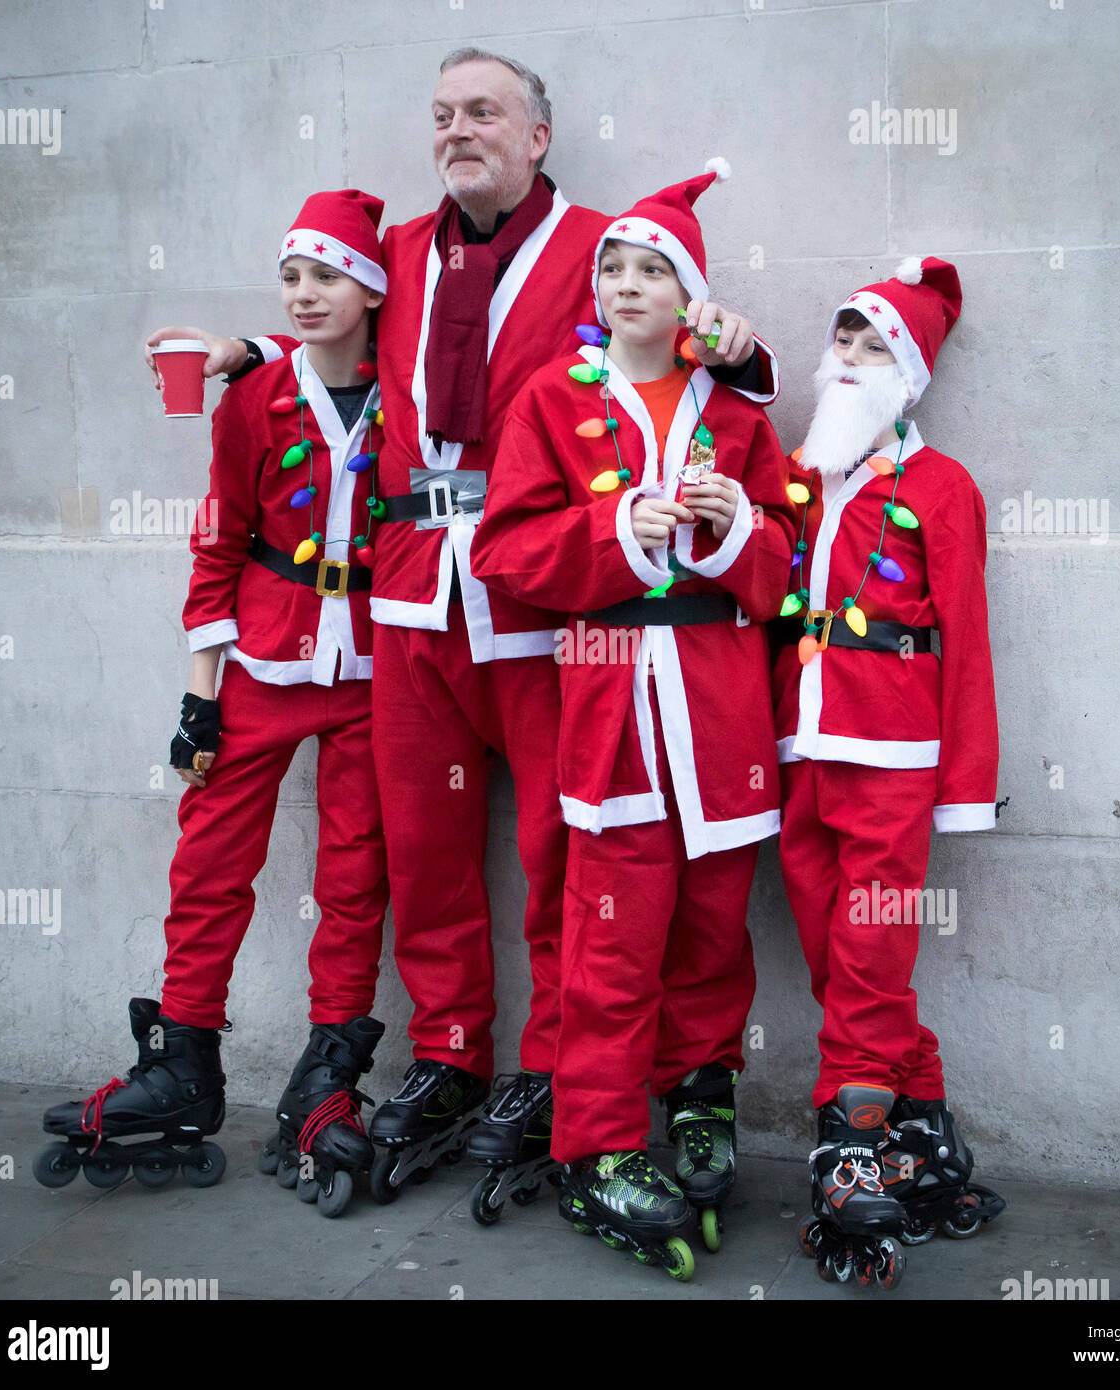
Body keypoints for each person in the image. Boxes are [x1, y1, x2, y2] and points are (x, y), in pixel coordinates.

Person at [144, 49, 779, 1205]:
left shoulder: (601, 245)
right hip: (405, 595)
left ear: (538, 135)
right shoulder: (392, 255)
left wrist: (739, 346)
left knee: (555, 847)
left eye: (482, 112)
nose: (457, 131)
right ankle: (447, 1049)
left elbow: (683, 349)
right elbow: (326, 327)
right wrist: (254, 351)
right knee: (424, 846)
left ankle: (552, 1068)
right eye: (441, 116)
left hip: (545, 603)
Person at [34, 190, 392, 1220]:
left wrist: (255, 338)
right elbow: (219, 544)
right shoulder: (252, 400)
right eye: (291, 277)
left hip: (374, 672)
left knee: (356, 874)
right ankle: (185, 1056)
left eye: (327, 275)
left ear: (370, 288)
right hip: (265, 666)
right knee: (211, 860)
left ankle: (330, 1069)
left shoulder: (403, 388)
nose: (305, 293)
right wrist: (202, 698)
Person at [472, 163, 793, 1277]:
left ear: (690, 296)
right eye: (611, 265)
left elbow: (780, 580)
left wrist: (730, 529)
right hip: (609, 715)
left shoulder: (738, 416)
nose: (623, 283)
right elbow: (505, 552)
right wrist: (621, 530)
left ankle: (701, 1094)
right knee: (610, 939)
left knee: (711, 929)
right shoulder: (553, 403)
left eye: (651, 268)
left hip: (718, 721)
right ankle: (598, 1142)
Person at [773, 257, 1005, 1288]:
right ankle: (922, 1127)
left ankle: (846, 1152)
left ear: (906, 375)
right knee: (834, 954)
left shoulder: (942, 487)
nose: (849, 361)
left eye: (873, 346)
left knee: (867, 956)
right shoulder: (798, 479)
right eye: (842, 341)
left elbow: (970, 639)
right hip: (800, 749)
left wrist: (963, 784)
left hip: (894, 756)